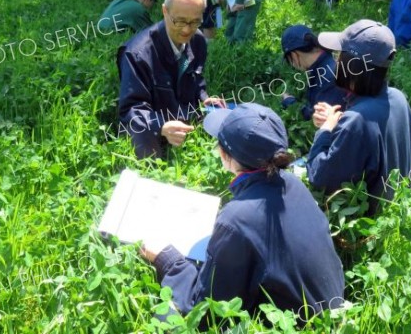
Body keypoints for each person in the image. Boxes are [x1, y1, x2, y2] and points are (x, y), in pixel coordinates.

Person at [140, 103, 345, 323]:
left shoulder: (235, 220)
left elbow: (207, 310)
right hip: (331, 313)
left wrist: (168, 260)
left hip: (296, 325)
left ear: (224, 154)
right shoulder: (292, 183)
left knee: (168, 318)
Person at [306, 20, 411, 216]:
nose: (336, 59)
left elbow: (319, 177)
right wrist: (335, 122)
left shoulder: (356, 121)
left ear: (352, 65)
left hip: (368, 228)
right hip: (398, 212)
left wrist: (325, 131)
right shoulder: (397, 97)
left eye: (339, 54)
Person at [117, 0, 224, 158]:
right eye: (180, 21)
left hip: (182, 115)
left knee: (229, 127)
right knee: (142, 141)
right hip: (152, 121)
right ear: (165, 11)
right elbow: (131, 108)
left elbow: (196, 80)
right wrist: (161, 126)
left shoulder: (198, 41)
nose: (187, 29)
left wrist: (204, 98)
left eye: (195, 21)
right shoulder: (137, 53)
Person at [281, 25, 350, 121]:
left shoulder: (328, 76)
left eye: (289, 60)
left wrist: (290, 103)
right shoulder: (326, 63)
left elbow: (320, 119)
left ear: (294, 55)